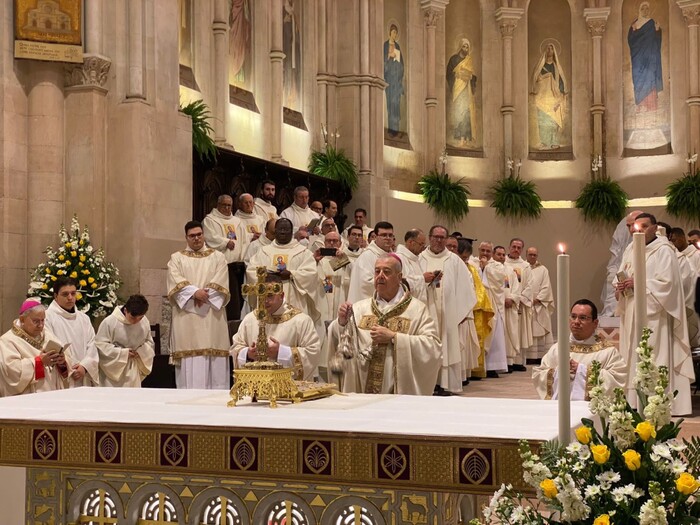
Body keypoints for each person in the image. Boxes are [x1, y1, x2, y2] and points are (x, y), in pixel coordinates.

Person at [614, 213, 694, 415]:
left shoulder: (664, 250)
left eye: (643, 226)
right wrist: (621, 285)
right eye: (634, 226)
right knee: (633, 354)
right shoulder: (631, 248)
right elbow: (623, 273)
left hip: (655, 314)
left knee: (654, 355)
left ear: (654, 227)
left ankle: (657, 402)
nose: (636, 230)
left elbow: (668, 285)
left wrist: (639, 283)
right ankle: (634, 400)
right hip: (632, 308)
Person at [326, 255, 441, 395]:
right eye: (377, 271)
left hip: (398, 394)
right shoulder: (360, 308)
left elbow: (433, 346)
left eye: (386, 272)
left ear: (399, 277)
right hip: (362, 389)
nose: (380, 276)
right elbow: (341, 340)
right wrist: (341, 323)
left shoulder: (417, 310)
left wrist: (394, 337)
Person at [167, 221, 230, 389]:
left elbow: (221, 281)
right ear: (186, 238)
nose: (196, 238)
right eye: (192, 236)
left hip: (212, 321)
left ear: (204, 235)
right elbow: (174, 281)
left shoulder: (218, 257)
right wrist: (195, 293)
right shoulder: (176, 258)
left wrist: (203, 296)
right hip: (187, 321)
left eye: (199, 234)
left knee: (214, 364)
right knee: (190, 366)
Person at [230, 275, 321, 381]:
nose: (265, 301)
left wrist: (281, 352)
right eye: (261, 295)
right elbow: (235, 348)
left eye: (270, 296)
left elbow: (313, 353)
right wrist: (248, 353)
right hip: (256, 388)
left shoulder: (301, 320)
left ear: (282, 295)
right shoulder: (250, 319)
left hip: (288, 390)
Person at [419, 225, 475, 394]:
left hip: (448, 313)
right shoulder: (419, 258)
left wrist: (461, 312)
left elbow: (466, 288)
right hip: (425, 311)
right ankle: (427, 384)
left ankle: (444, 384)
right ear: (429, 237)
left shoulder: (454, 260)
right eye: (435, 237)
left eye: (442, 237)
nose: (438, 240)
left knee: (447, 347)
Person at [533, 300, 626, 400]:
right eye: (573, 317)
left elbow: (618, 379)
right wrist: (558, 372)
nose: (576, 322)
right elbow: (539, 374)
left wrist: (583, 371)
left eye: (582, 318)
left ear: (595, 323)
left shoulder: (608, 352)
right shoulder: (558, 348)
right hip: (559, 410)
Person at [247, 218, 320, 322]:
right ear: (275, 230)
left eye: (286, 229)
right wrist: (265, 276)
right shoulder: (263, 251)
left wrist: (291, 274)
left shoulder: (303, 252)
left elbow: (311, 273)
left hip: (295, 300)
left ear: (292, 232)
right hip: (267, 299)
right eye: (280, 229)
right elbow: (251, 271)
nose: (282, 232)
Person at [0, 300, 67, 396]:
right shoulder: (8, 341)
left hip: (52, 393)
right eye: (36, 321)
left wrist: (61, 361)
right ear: (22, 320)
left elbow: (64, 364)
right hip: (27, 398)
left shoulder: (47, 334)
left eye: (43, 320)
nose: (40, 325)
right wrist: (39, 362)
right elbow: (11, 372)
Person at [44, 277, 99, 387]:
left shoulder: (84, 318)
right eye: (65, 294)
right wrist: (68, 367)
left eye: (73, 294)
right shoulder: (47, 317)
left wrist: (84, 367)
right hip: (61, 375)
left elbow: (92, 345)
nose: (70, 298)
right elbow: (49, 345)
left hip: (83, 375)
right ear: (55, 296)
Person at [95, 294, 155, 388]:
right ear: (126, 310)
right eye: (133, 318)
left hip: (133, 367)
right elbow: (101, 345)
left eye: (140, 318)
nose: (136, 322)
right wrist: (123, 353)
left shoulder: (144, 322)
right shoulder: (110, 322)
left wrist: (140, 352)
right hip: (113, 370)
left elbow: (149, 343)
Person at [202, 194, 245, 319]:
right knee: (229, 300)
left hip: (238, 265)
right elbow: (210, 238)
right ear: (218, 205)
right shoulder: (210, 220)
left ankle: (236, 323)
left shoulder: (237, 222)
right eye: (224, 205)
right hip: (222, 266)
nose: (227, 208)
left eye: (229, 205)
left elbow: (243, 241)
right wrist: (225, 242)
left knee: (239, 299)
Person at [601, 210, 643, 316]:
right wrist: (619, 285)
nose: (632, 229)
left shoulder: (661, 249)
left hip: (647, 305)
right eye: (628, 226)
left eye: (634, 225)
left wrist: (639, 283)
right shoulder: (629, 249)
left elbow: (665, 282)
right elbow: (618, 265)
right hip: (628, 301)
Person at [477, 242, 508, 378]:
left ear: (491, 253)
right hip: (479, 303)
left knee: (494, 334)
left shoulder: (497, 266)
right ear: (478, 250)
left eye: (488, 251)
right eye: (483, 250)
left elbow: (499, 280)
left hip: (493, 303)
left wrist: (486, 267)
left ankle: (492, 366)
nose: (485, 253)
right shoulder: (473, 263)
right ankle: (478, 366)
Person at [530, 40, 568, 149]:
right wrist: (544, 79)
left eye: (551, 48)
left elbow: (560, 83)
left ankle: (554, 141)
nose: (549, 50)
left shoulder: (557, 68)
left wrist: (560, 95)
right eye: (547, 48)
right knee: (543, 119)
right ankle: (544, 142)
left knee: (553, 120)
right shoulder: (540, 67)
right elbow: (536, 79)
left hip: (553, 97)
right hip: (542, 97)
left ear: (554, 51)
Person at [347, 221, 395, 303]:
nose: (388, 238)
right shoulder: (367, 256)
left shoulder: (393, 257)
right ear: (375, 237)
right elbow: (365, 284)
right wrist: (392, 283)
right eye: (384, 235)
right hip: (369, 306)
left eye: (390, 235)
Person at [628, 1, 662, 112]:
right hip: (638, 59)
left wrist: (657, 30)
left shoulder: (652, 23)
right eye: (643, 9)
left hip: (650, 58)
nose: (645, 11)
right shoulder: (635, 24)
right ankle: (641, 105)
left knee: (650, 78)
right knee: (639, 80)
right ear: (639, 10)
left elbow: (657, 41)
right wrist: (633, 31)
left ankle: (652, 106)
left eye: (647, 9)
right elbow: (631, 42)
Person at [504, 238, 533, 371]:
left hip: (519, 304)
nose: (516, 249)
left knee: (519, 333)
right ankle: (507, 362)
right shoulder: (502, 262)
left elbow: (529, 285)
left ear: (522, 250)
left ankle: (518, 361)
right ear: (509, 247)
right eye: (514, 246)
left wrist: (518, 299)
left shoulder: (525, 266)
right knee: (506, 332)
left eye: (519, 247)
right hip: (505, 304)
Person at [669, 227, 700, 347]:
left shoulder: (696, 255)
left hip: (694, 295)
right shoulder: (675, 256)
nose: (673, 243)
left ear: (682, 239)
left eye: (675, 240)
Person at [493, 246, 522, 373]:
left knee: (510, 333)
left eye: (503, 254)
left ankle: (509, 362)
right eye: (498, 254)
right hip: (496, 306)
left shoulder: (510, 270)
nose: (501, 257)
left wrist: (512, 298)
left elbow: (516, 287)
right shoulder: (490, 269)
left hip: (509, 307)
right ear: (494, 255)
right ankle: (497, 363)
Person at [446, 38, 477, 148]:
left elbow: (473, 76)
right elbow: (449, 74)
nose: (465, 49)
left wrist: (470, 76)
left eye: (467, 47)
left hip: (466, 90)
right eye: (464, 46)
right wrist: (456, 75)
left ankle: (465, 140)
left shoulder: (469, 60)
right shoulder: (453, 59)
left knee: (466, 114)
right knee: (459, 113)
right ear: (460, 47)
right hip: (458, 90)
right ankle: (460, 139)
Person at [525, 247, 554, 359]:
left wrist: (537, 299)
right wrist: (525, 300)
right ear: (526, 254)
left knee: (540, 328)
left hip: (539, 305)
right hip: (525, 305)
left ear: (537, 256)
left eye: (534, 255)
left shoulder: (543, 269)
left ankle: (541, 356)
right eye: (530, 254)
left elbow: (546, 287)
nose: (532, 257)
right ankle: (528, 357)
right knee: (527, 330)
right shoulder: (523, 268)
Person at [395, 229, 428, 303]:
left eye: (424, 245)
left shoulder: (415, 258)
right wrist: (423, 278)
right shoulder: (398, 259)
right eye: (421, 244)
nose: (423, 248)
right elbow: (400, 283)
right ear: (411, 242)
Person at [384, 24, 404, 137]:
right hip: (389, 80)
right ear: (390, 33)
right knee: (390, 104)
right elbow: (382, 61)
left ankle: (395, 129)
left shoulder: (398, 46)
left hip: (396, 80)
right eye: (393, 32)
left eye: (396, 33)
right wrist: (389, 56)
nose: (395, 34)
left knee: (396, 104)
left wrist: (398, 64)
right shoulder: (385, 45)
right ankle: (390, 128)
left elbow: (402, 64)